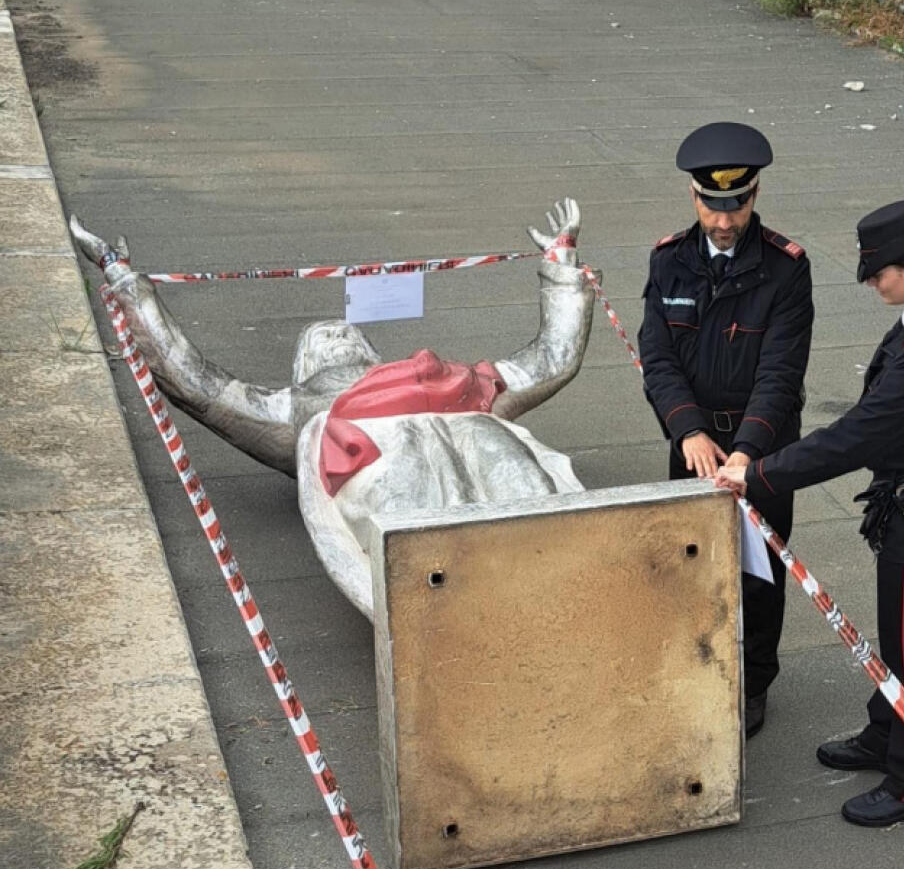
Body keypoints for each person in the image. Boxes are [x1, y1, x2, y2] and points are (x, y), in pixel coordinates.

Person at [70, 201, 596, 618]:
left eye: (343, 331)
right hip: (377, 451)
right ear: (306, 369)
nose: (337, 333)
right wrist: (123, 282)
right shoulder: (300, 408)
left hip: (469, 424)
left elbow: (553, 359)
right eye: (323, 337)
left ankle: (576, 599)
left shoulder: (452, 376)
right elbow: (194, 384)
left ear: (370, 353)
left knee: (531, 507)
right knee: (429, 541)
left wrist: (560, 259)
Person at [715, 198, 904, 826]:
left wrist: (758, 473)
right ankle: (885, 731)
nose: (871, 282)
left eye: (879, 272)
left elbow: (858, 435)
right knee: (901, 638)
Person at [638, 122, 813, 738]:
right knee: (688, 567)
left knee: (757, 576)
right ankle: (697, 668)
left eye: (735, 206)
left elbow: (781, 373)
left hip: (760, 452)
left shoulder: (786, 270)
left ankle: (753, 682)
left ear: (755, 195)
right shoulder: (668, 263)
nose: (723, 222)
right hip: (692, 449)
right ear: (693, 197)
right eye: (712, 207)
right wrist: (687, 431)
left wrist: (745, 452)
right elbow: (657, 359)